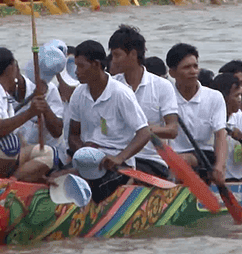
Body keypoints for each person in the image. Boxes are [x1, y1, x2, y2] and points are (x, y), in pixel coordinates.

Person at [67, 40, 151, 202]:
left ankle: (129, 183)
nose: (76, 72)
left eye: (81, 66)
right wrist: (84, 151)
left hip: (117, 163)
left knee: (97, 190)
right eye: (76, 66)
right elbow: (73, 135)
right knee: (55, 178)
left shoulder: (120, 93)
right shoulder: (78, 93)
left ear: (97, 65)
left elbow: (144, 132)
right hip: (89, 160)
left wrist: (119, 157)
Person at [0, 47, 59, 183]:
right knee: (10, 143)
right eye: (15, 65)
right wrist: (30, 113)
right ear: (10, 69)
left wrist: (37, 172)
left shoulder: (4, 93)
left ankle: (13, 180)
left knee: (48, 153)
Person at [108, 25, 179, 179]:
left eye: (117, 55)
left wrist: (145, 131)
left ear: (133, 54)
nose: (113, 61)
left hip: (151, 161)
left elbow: (172, 129)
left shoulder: (162, 86)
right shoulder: (111, 86)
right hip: (116, 157)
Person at [166, 43, 228, 184]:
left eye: (195, 66)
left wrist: (220, 166)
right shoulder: (165, 95)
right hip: (171, 156)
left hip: (203, 156)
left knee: (183, 160)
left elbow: (220, 134)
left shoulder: (214, 97)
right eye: (187, 67)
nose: (193, 71)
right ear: (172, 73)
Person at [211, 73, 242, 182]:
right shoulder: (207, 119)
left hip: (241, 180)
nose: (240, 100)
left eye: (241, 95)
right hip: (216, 180)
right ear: (223, 97)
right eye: (236, 96)